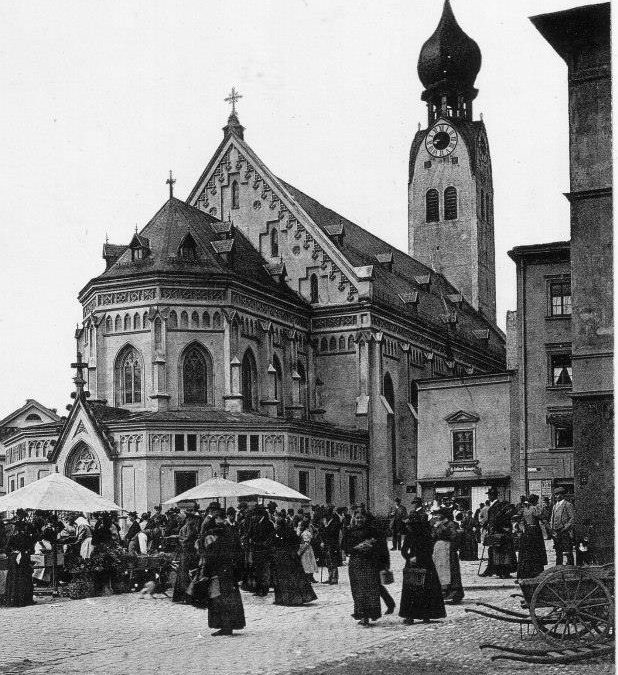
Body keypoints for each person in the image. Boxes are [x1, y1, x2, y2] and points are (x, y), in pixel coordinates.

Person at [399, 498, 446, 625]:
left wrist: (412, 558)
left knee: (418, 589)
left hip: (421, 562)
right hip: (421, 563)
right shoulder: (419, 533)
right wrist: (409, 557)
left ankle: (418, 615)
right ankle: (419, 615)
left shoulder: (423, 534)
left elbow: (427, 549)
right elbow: (404, 550)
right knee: (420, 589)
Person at [344, 510, 390, 626]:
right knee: (358, 590)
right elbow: (344, 546)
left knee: (370, 590)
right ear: (354, 518)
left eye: (361, 517)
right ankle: (362, 615)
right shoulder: (350, 531)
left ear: (365, 518)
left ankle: (370, 614)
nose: (359, 520)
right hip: (356, 563)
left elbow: (381, 547)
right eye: (357, 518)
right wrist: (356, 548)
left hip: (370, 562)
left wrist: (370, 547)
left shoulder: (372, 530)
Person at [200, 525, 246, 637]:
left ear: (215, 536)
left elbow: (209, 562)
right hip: (230, 577)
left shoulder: (213, 546)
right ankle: (230, 625)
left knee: (218, 602)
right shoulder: (231, 546)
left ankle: (224, 627)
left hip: (218, 578)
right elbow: (239, 560)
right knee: (231, 602)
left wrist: (205, 575)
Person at [270, 516, 317, 606]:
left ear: (279, 525)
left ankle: (284, 599)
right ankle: (299, 598)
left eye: (276, 523)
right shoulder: (290, 531)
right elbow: (297, 541)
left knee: (283, 579)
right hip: (291, 557)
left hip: (281, 558)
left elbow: (272, 544)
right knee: (295, 577)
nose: (275, 525)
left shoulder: (276, 533)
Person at [432, 509, 464, 604]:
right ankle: (444, 592)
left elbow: (454, 536)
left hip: (448, 551)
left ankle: (454, 593)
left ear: (444, 515)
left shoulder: (451, 524)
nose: (437, 516)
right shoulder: (438, 524)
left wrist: (442, 528)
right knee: (440, 571)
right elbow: (433, 536)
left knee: (451, 571)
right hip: (439, 551)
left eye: (439, 514)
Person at [485, 488, 517, 579]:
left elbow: (498, 519)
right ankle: (498, 571)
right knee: (498, 552)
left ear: (492, 496)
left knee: (502, 553)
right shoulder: (495, 505)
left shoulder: (497, 505)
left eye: (489, 495)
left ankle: (503, 572)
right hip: (497, 531)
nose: (488, 497)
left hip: (500, 532)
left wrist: (494, 527)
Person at [3, 520, 34, 607]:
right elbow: (32, 550)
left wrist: (14, 553)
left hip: (17, 561)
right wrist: (25, 552)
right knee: (24, 579)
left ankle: (14, 600)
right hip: (23, 560)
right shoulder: (27, 537)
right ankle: (25, 600)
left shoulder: (13, 537)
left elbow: (7, 550)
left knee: (15, 579)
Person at [172, 510, 200, 603]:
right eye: (193, 519)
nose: (194, 521)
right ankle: (187, 597)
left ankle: (182, 597)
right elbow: (186, 540)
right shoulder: (189, 528)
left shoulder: (185, 527)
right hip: (188, 553)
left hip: (185, 553)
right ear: (189, 519)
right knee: (186, 574)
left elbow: (181, 540)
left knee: (183, 574)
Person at [517, 494, 547, 579]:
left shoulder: (524, 509)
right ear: (534, 501)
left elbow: (521, 521)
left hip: (526, 531)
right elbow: (540, 516)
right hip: (534, 531)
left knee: (526, 553)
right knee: (536, 552)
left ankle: (525, 572)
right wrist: (542, 507)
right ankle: (536, 572)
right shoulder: (534, 508)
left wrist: (523, 529)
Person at [248, 505, 275, 597]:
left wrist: (264, 544)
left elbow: (271, 537)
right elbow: (250, 534)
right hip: (256, 550)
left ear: (259, 515)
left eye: (254, 515)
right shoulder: (254, 523)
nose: (253, 517)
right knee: (257, 570)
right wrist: (249, 539)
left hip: (265, 551)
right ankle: (258, 589)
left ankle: (264, 590)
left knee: (265, 571)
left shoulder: (268, 524)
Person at [550, 487, 574, 566]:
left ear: (562, 495)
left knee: (568, 551)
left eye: (558, 494)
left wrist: (565, 527)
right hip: (556, 532)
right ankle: (558, 567)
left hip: (565, 532)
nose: (556, 496)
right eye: (555, 494)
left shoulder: (567, 504)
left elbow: (572, 518)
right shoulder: (554, 506)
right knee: (558, 552)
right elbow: (552, 518)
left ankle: (570, 568)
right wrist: (552, 529)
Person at [320, 507, 342, 584]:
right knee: (328, 561)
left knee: (333, 561)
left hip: (333, 544)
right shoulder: (325, 522)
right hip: (326, 543)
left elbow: (332, 533)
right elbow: (322, 532)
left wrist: (326, 526)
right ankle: (330, 576)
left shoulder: (335, 522)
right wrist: (322, 541)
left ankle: (334, 578)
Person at [297, 517, 318, 583]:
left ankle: (309, 577)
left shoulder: (305, 533)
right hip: (307, 549)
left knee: (307, 563)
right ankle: (310, 577)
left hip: (306, 550)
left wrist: (301, 551)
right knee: (309, 563)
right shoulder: (304, 532)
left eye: (300, 526)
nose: (299, 527)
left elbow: (306, 543)